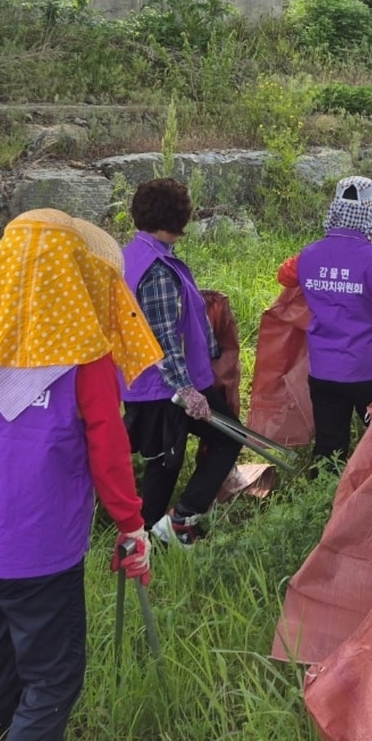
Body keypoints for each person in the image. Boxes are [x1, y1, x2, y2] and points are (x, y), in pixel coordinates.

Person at [0, 210, 159, 741]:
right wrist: (133, 526)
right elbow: (108, 451)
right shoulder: (83, 361)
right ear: (71, 275)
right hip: (38, 548)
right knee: (53, 675)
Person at [277, 175, 372, 472]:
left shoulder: (308, 255)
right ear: (370, 210)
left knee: (328, 450)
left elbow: (284, 276)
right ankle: (371, 502)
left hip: (324, 373)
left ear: (335, 209)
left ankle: (322, 509)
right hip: (369, 374)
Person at [120, 177, 243, 547]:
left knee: (163, 460)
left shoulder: (133, 254)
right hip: (164, 387)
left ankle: (146, 538)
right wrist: (188, 390)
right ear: (179, 216)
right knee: (219, 440)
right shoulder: (156, 269)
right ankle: (171, 524)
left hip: (142, 381)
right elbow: (162, 338)